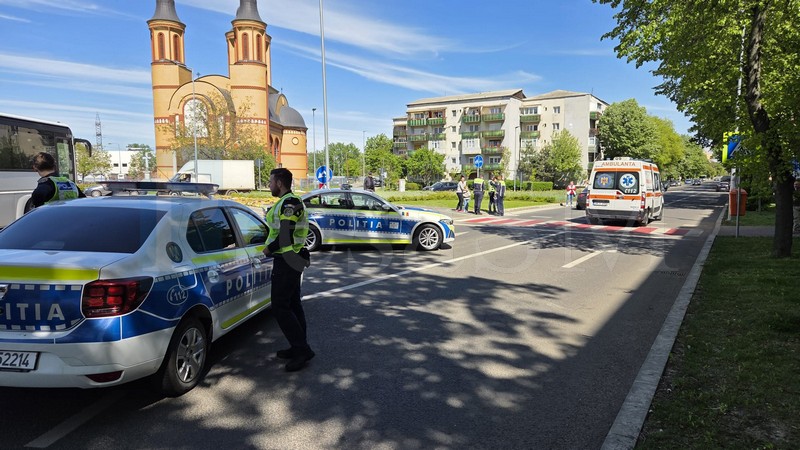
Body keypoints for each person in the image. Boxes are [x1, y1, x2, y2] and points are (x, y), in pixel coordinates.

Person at [263, 168, 315, 372]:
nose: (269, 185)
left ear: (279, 183)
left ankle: (302, 350)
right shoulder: (288, 202)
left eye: (270, 182)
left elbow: (285, 234)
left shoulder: (290, 203)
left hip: (288, 259)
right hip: (292, 258)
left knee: (280, 306)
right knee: (293, 304)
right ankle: (298, 346)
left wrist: (268, 249)